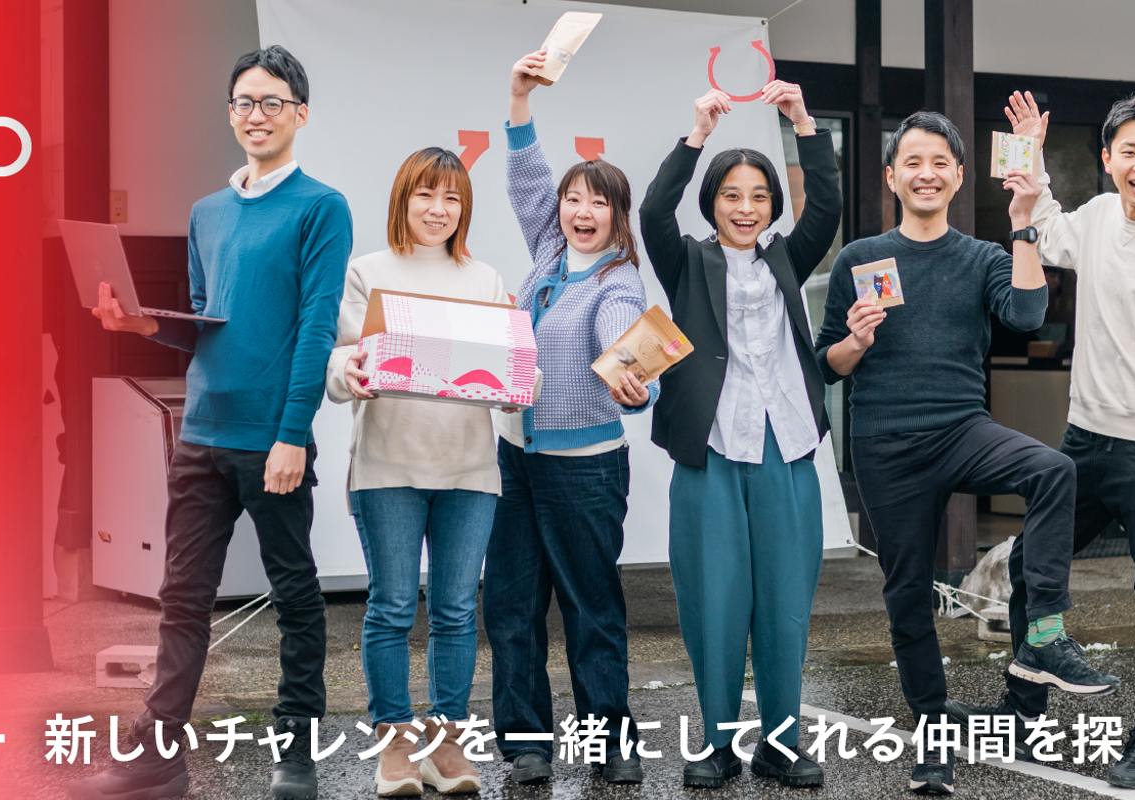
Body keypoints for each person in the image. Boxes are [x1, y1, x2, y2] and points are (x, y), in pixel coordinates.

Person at [67, 45, 350, 800]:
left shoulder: (321, 208)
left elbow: (316, 330)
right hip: (201, 435)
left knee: (295, 598)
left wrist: (291, 434)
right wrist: (140, 326)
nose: (258, 115)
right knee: (182, 600)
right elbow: (205, 324)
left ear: (300, 114)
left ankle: (296, 755)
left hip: (271, 440)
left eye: (273, 102)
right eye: (245, 103)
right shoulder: (207, 212)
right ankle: (157, 758)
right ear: (230, 114)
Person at [815, 110, 1118, 797]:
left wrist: (1023, 221)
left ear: (957, 177)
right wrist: (854, 343)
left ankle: (1044, 634)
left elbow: (1027, 315)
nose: (926, 174)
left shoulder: (982, 256)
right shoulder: (860, 257)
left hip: (960, 428)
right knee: (907, 592)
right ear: (891, 176)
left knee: (1053, 470)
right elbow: (825, 364)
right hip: (886, 443)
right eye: (912, 163)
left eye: (939, 164)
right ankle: (932, 738)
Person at [955, 92, 1135, 791]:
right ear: (1108, 159)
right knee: (1029, 568)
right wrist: (1030, 154)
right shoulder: (1098, 217)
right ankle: (1021, 713)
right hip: (1082, 440)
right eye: (1128, 151)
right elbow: (1042, 225)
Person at [639, 80, 840, 789]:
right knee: (713, 603)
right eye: (731, 195)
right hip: (711, 453)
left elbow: (828, 207)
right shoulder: (687, 261)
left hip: (788, 450)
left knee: (785, 607)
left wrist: (804, 124)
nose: (746, 207)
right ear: (713, 203)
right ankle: (717, 743)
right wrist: (697, 134)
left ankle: (780, 745)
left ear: (773, 206)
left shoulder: (786, 258)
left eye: (758, 196)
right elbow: (652, 211)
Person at [486, 48, 660, 788]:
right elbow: (526, 179)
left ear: (619, 218)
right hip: (514, 460)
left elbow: (623, 343)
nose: (581, 213)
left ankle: (610, 741)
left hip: (585, 470)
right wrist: (519, 99)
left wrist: (633, 385)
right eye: (573, 200)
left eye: (598, 204)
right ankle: (527, 743)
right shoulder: (549, 252)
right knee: (511, 608)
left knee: (590, 610)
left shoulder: (619, 282)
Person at [325, 147, 507, 796]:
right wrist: (347, 375)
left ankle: (445, 743)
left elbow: (505, 370)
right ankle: (395, 744)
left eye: (452, 198)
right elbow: (341, 360)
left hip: (469, 469)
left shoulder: (484, 279)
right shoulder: (367, 272)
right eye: (426, 195)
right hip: (388, 466)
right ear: (403, 200)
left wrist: (520, 385)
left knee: (457, 610)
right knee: (393, 606)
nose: (438, 210)